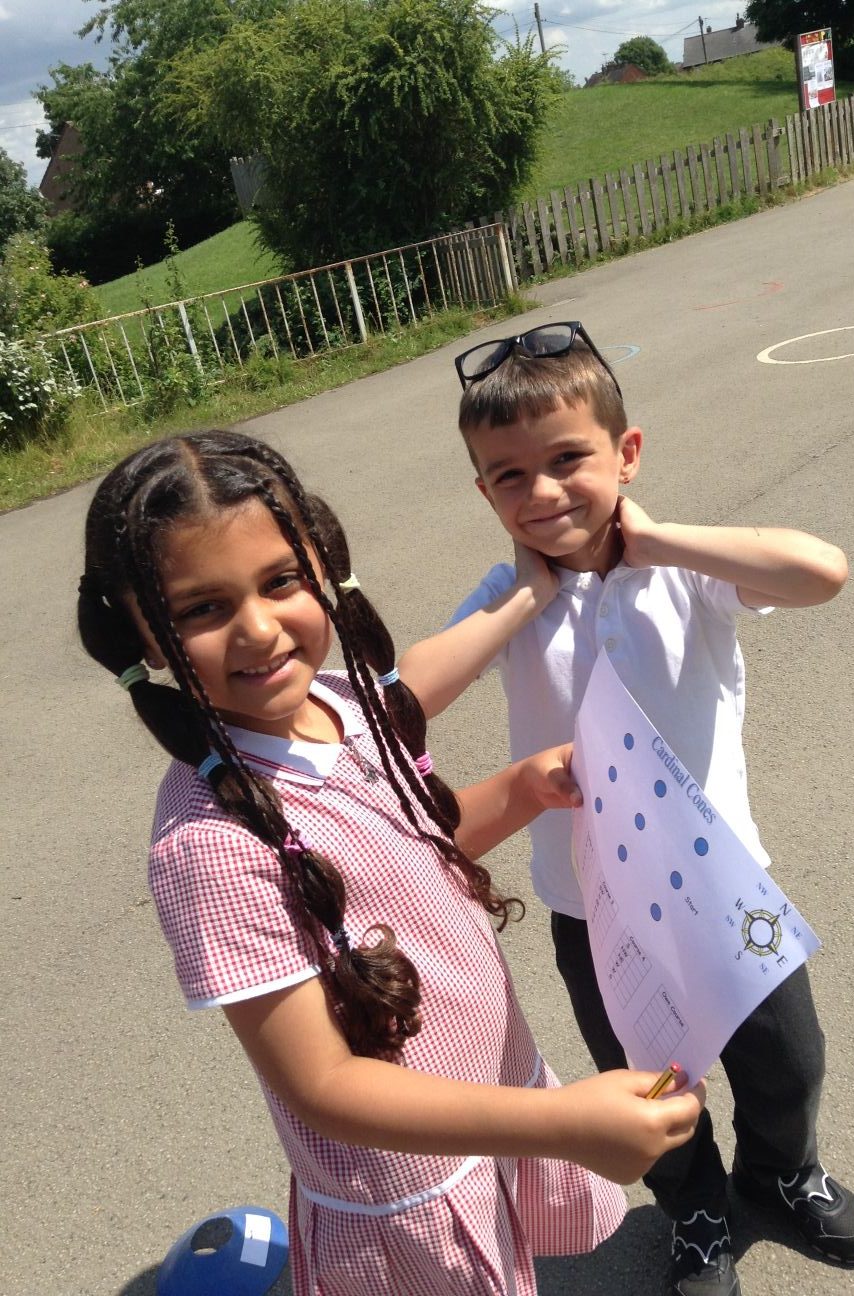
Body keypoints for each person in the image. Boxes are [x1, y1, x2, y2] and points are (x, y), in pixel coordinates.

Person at [77, 429, 706, 1296]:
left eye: (280, 581)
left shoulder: (343, 704)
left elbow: (410, 850)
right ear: (143, 637)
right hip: (408, 1189)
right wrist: (558, 1122)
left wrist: (524, 788)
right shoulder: (207, 846)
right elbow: (324, 1085)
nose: (258, 629)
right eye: (201, 609)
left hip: (484, 1095)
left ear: (324, 567)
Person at [398, 322, 854, 1296]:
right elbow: (400, 700)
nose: (541, 492)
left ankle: (781, 1175)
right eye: (508, 475)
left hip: (723, 886)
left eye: (566, 460)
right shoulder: (506, 599)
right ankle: (695, 1209)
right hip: (593, 910)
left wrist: (653, 538)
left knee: (788, 1060)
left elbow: (820, 570)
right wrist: (521, 601)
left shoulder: (685, 573)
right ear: (484, 492)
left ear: (625, 453)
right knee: (653, 1084)